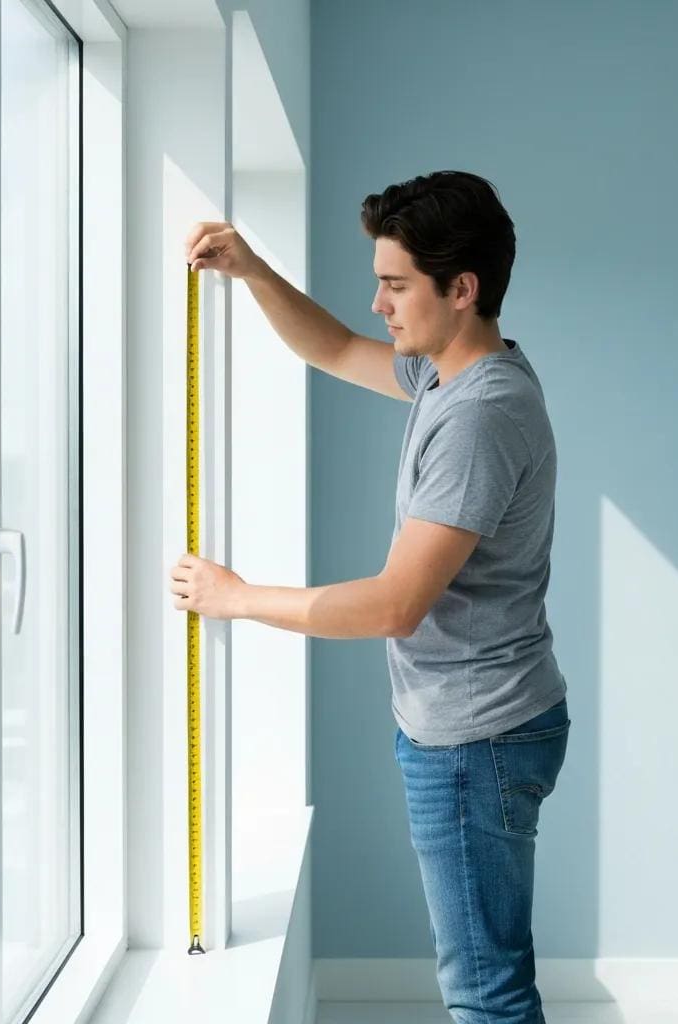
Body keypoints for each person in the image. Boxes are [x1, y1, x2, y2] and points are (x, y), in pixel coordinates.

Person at [170, 169, 570, 1024]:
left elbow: (395, 605)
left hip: (475, 737)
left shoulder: (478, 416)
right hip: (484, 721)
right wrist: (256, 274)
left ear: (460, 289)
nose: (381, 303)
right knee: (488, 974)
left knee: (485, 996)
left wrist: (238, 598)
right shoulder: (453, 376)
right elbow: (336, 350)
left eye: (396, 284)